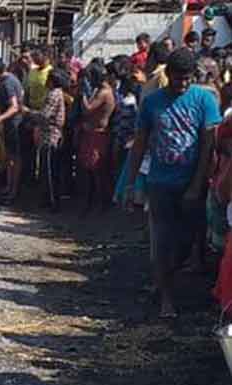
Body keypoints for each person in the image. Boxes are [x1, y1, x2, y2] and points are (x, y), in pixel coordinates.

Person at [125, 48, 221, 318]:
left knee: (187, 242)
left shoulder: (204, 100)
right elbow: (140, 143)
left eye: (188, 78)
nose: (183, 84)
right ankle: (167, 298)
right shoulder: (152, 102)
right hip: (160, 184)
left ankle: (163, 280)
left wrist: (196, 184)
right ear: (168, 75)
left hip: (192, 183)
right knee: (163, 241)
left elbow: (207, 145)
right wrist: (130, 184)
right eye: (178, 78)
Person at [78, 62, 116, 214]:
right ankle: (96, 203)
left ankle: (101, 204)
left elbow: (88, 109)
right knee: (93, 171)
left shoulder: (104, 93)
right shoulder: (102, 90)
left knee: (97, 171)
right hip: (94, 133)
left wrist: (82, 95)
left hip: (98, 134)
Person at [0, 57, 24, 203]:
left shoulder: (8, 82)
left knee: (13, 159)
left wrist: (0, 118)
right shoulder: (10, 79)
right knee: (10, 158)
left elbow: (14, 106)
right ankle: (9, 187)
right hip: (12, 123)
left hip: (14, 124)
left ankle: (13, 191)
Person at [40, 69, 68, 212]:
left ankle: (53, 202)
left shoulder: (53, 94)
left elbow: (44, 116)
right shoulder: (58, 93)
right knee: (50, 169)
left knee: (50, 170)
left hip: (50, 134)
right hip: (51, 134)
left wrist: (27, 112)